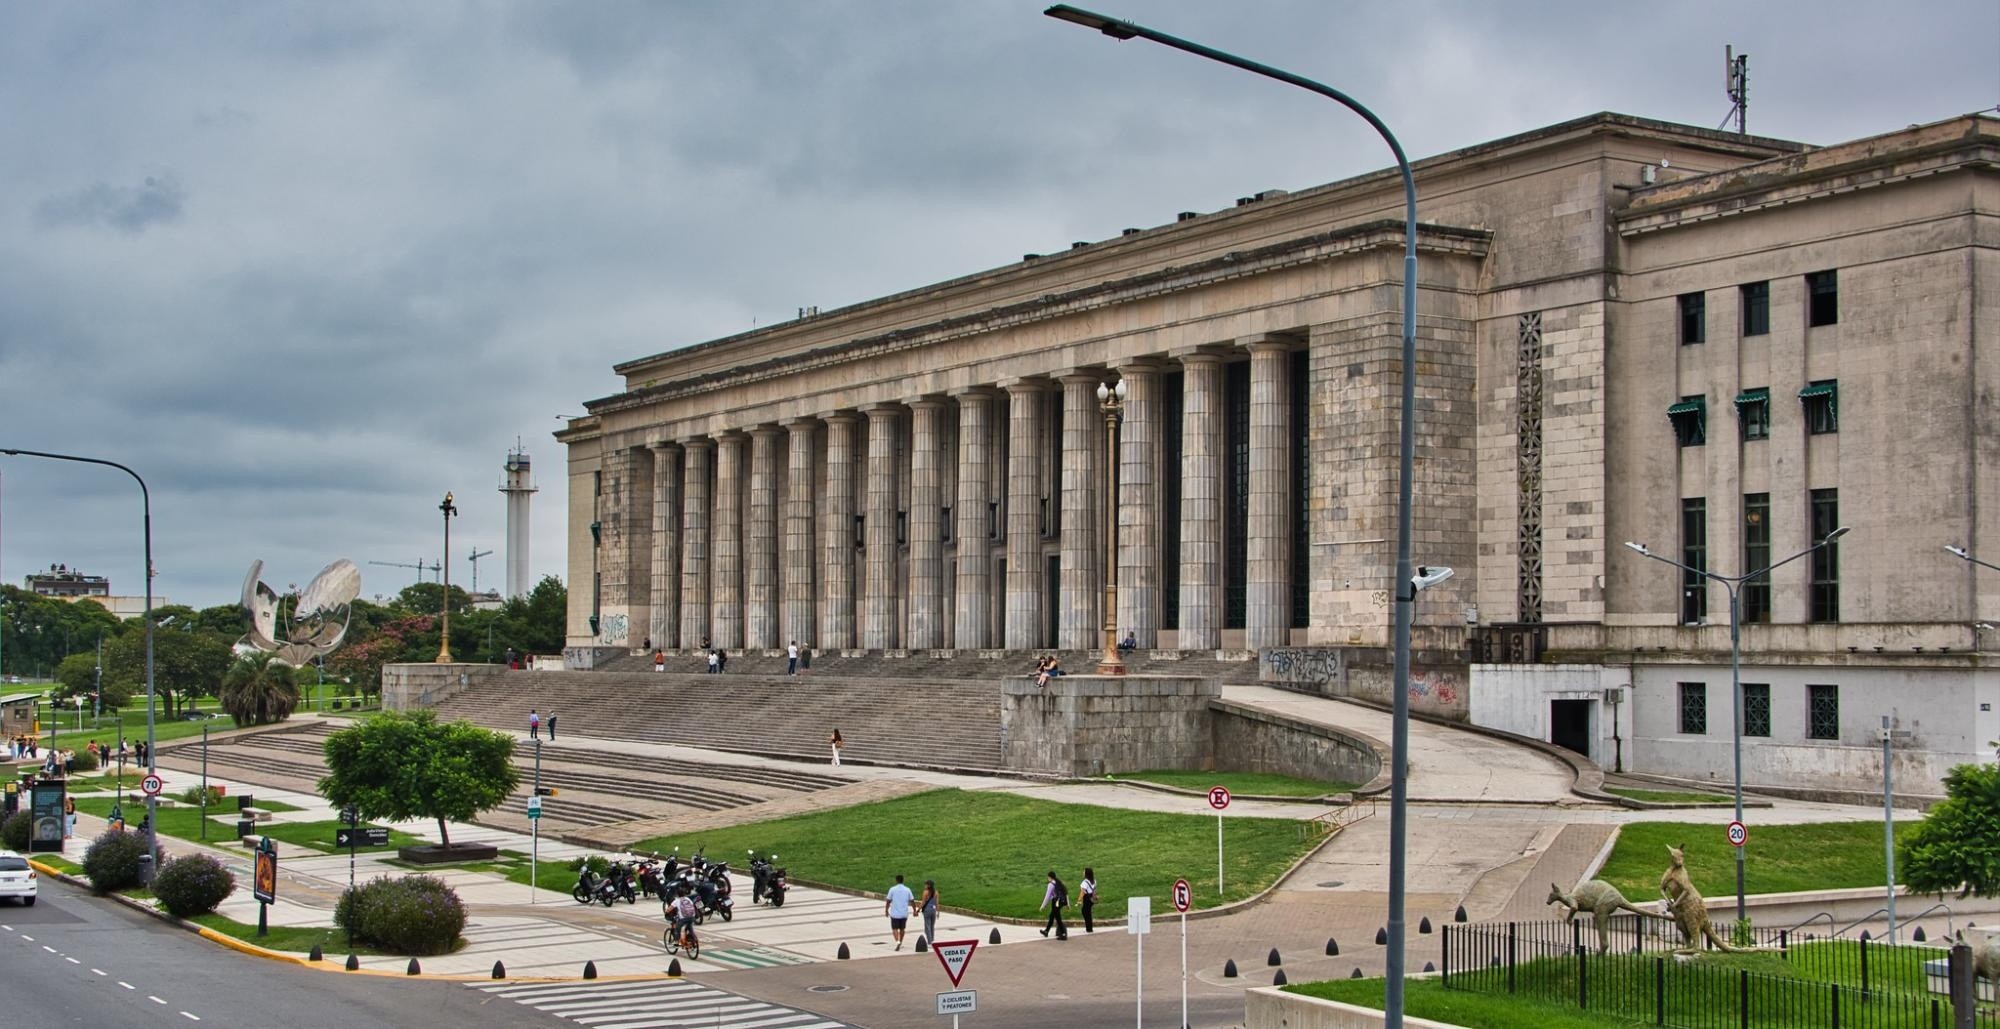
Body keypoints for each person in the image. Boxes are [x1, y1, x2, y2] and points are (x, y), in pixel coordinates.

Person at [885, 873, 914, 951]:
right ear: (903, 880)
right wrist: (914, 910)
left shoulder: (892, 889)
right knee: (902, 929)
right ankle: (900, 941)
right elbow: (912, 900)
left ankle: (897, 941)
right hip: (904, 913)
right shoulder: (907, 889)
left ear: (896, 880)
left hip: (895, 914)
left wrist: (886, 910)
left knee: (894, 929)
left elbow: (888, 901)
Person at [1039, 870, 1069, 939]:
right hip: (1061, 902)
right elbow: (1065, 893)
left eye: (1048, 877)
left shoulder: (1051, 884)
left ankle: (1063, 934)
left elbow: (1047, 896)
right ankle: (1046, 931)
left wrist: (1042, 906)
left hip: (1056, 903)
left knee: (1058, 918)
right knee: (1052, 916)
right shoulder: (1059, 882)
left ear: (1049, 877)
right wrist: (1067, 904)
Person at [919, 879, 940, 946]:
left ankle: (929, 941)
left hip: (927, 910)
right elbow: (937, 903)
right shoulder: (936, 892)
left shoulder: (925, 892)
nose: (924, 885)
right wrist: (938, 912)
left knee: (927, 926)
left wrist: (918, 909)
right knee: (932, 926)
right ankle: (932, 939)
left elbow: (923, 902)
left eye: (926, 884)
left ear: (928, 885)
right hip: (933, 910)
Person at [1079, 867, 1097, 932]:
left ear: (1086, 873)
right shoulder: (1094, 881)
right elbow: (1094, 890)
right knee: (1088, 913)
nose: (1083, 873)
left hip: (1086, 898)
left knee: (1084, 912)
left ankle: (1088, 928)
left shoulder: (1084, 882)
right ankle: (1090, 928)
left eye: (1084, 872)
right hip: (1091, 898)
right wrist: (1094, 897)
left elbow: (1082, 892)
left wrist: (1079, 900)